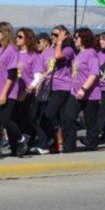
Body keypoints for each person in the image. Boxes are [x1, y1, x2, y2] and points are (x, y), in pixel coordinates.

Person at [0, 22, 26, 159]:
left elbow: (12, 74)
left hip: (7, 92)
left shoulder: (12, 50)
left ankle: (20, 138)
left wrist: (4, 93)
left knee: (5, 119)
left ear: (5, 33)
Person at [36, 25, 75, 154]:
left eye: (56, 35)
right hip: (52, 86)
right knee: (49, 116)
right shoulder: (50, 50)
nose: (53, 37)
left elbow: (58, 56)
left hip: (63, 87)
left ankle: (61, 140)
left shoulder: (68, 49)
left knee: (51, 114)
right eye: (52, 34)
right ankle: (56, 141)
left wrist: (59, 43)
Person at [62, 28, 101, 152]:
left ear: (84, 39)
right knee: (68, 117)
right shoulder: (79, 54)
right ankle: (69, 146)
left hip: (89, 94)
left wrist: (84, 89)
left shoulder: (91, 53)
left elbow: (94, 74)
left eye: (77, 37)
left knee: (91, 121)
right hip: (75, 93)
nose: (75, 40)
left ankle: (91, 145)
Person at [14, 28, 42, 150]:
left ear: (27, 39)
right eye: (16, 36)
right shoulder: (14, 54)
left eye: (20, 37)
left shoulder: (33, 56)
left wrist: (27, 90)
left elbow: (38, 76)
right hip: (13, 92)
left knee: (26, 118)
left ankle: (27, 143)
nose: (17, 39)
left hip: (27, 93)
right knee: (14, 119)